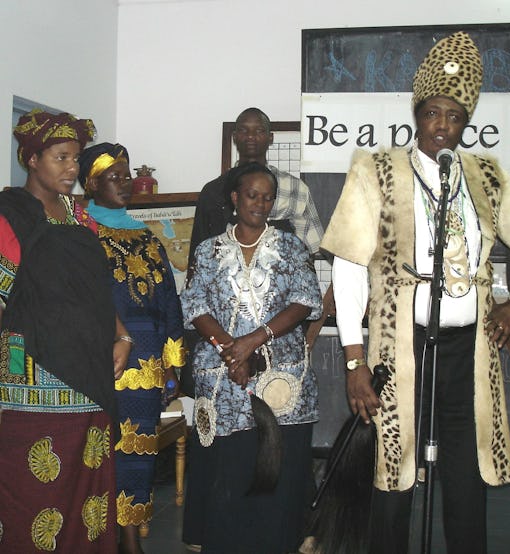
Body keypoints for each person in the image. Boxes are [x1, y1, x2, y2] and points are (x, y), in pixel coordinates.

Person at [319, 32, 510, 554]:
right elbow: (349, 266)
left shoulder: (486, 174)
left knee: (466, 473)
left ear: (465, 124)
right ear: (417, 114)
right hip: (399, 348)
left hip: (468, 348)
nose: (443, 126)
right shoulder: (377, 168)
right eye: (434, 113)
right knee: (394, 473)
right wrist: (354, 359)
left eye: (454, 117)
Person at [0, 110, 133, 552]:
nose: (71, 169)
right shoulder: (7, 217)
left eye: (75, 159)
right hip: (32, 374)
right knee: (31, 496)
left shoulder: (81, 217)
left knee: (87, 496)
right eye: (60, 158)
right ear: (31, 159)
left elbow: (96, 290)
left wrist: (122, 336)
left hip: (89, 372)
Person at [181, 162, 322, 554]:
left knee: (281, 464)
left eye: (267, 197)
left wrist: (254, 341)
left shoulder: (291, 246)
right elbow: (194, 305)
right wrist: (232, 348)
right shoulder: (208, 250)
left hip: (281, 374)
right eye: (252, 195)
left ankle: (277, 540)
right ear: (234, 198)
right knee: (233, 464)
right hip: (224, 375)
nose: (260, 203)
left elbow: (305, 301)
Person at [77, 142, 187, 554]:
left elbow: (168, 301)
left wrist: (172, 365)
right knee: (96, 451)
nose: (125, 184)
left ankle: (129, 538)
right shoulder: (81, 233)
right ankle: (95, 535)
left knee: (138, 456)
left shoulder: (147, 237)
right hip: (99, 358)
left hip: (147, 360)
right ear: (92, 183)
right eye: (115, 178)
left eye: (127, 177)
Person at [188, 107, 324, 265]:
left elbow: (308, 253)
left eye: (259, 131)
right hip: (226, 285)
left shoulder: (295, 189)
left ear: (270, 137)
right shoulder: (213, 192)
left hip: (282, 284)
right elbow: (198, 258)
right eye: (244, 130)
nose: (251, 136)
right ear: (234, 137)